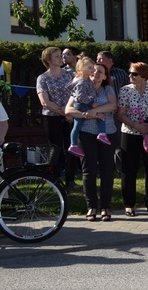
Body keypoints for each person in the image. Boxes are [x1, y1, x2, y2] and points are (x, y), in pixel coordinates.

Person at [65, 63, 117, 222]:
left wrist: (95, 110)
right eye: (93, 70)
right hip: (86, 134)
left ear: (104, 76)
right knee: (89, 171)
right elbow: (68, 110)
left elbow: (113, 106)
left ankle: (105, 207)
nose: (96, 73)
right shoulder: (81, 86)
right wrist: (89, 115)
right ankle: (91, 206)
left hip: (107, 133)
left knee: (107, 170)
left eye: (100, 71)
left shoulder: (107, 90)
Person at [117, 61, 148, 216]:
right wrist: (136, 126)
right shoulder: (125, 91)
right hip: (130, 133)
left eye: (134, 74)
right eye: (130, 73)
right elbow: (120, 114)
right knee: (129, 169)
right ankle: (129, 204)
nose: (130, 76)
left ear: (144, 76)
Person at [36, 47, 76, 189]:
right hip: (51, 117)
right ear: (48, 60)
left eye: (61, 56)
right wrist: (63, 112)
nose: (61, 59)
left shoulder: (69, 75)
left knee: (71, 147)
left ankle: (70, 179)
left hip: (70, 116)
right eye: (57, 56)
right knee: (56, 148)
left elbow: (76, 94)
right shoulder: (43, 78)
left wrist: (69, 112)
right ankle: (55, 178)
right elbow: (45, 102)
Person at [67, 56, 110, 158]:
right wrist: (91, 104)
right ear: (83, 69)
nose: (93, 70)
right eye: (90, 68)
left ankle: (73, 145)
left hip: (81, 105)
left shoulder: (84, 80)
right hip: (82, 105)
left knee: (77, 126)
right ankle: (102, 134)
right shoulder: (82, 81)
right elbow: (80, 96)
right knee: (101, 116)